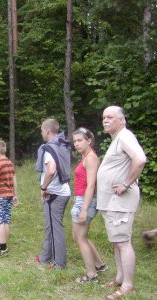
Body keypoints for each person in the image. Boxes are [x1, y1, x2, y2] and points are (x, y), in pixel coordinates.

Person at [97, 106, 146, 300]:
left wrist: (126, 183)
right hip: (112, 201)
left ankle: (128, 285)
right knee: (117, 242)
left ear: (121, 120)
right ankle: (119, 278)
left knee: (123, 242)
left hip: (120, 201)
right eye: (103, 117)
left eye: (110, 117)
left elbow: (140, 159)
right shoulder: (117, 138)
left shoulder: (125, 136)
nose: (105, 120)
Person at [71, 127, 107, 283]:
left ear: (89, 141)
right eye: (74, 141)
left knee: (80, 238)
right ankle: (100, 264)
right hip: (81, 199)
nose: (76, 144)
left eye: (80, 140)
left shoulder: (91, 158)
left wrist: (84, 209)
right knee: (79, 237)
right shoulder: (85, 156)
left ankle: (91, 275)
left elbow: (91, 185)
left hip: (86, 200)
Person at [34, 118, 71, 269]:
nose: (42, 132)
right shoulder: (62, 144)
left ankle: (59, 264)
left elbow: (51, 169)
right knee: (51, 226)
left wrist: (43, 188)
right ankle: (45, 256)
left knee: (56, 229)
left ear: (47, 131)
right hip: (63, 191)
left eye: (42, 130)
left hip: (54, 194)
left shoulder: (49, 148)